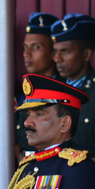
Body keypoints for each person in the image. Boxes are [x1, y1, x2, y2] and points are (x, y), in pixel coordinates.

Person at [51, 14, 95, 165]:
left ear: (86, 54)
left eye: (65, 51)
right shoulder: (53, 91)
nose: (57, 58)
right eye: (55, 51)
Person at [16, 12, 60, 158]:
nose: (26, 54)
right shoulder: (24, 95)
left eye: (36, 47)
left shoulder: (64, 94)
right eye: (25, 47)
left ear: (53, 52)